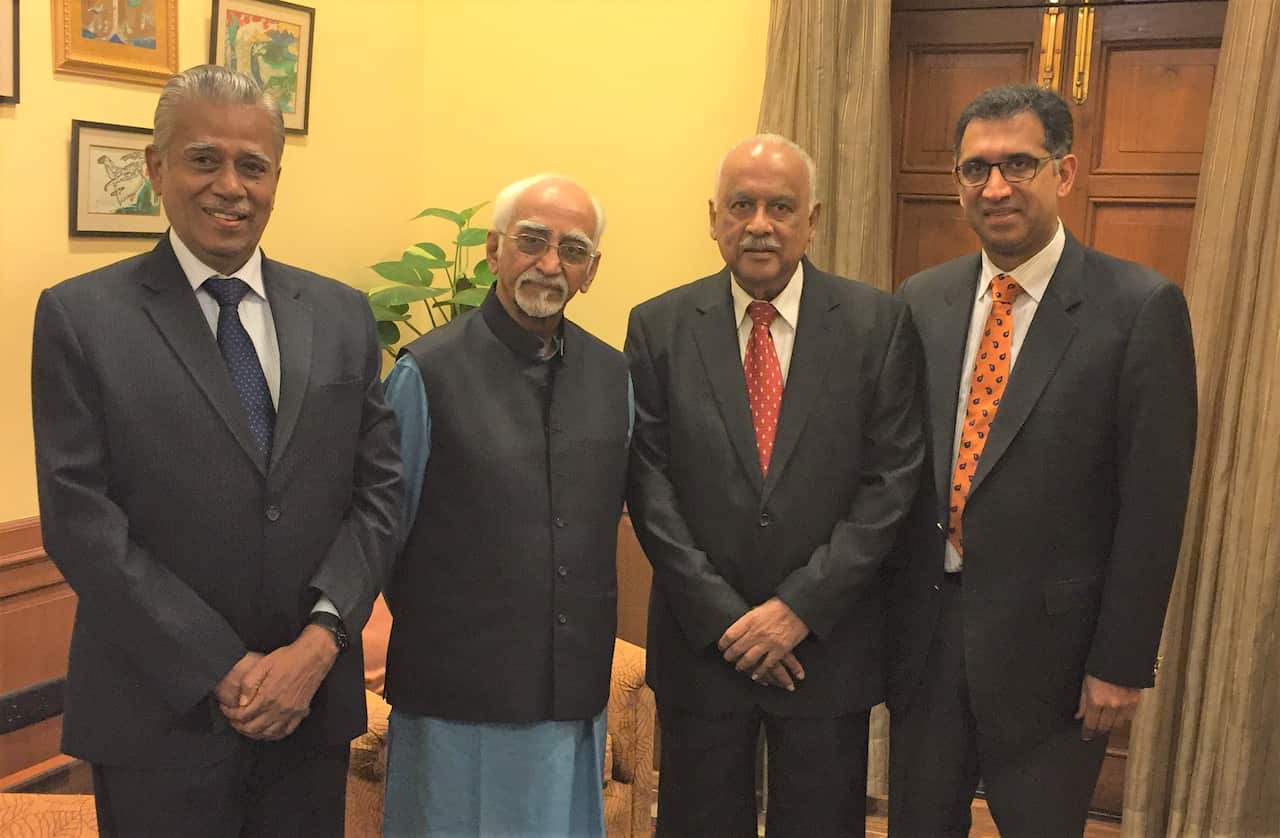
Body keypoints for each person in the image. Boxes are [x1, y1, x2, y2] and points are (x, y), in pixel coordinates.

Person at [30, 65, 402, 838]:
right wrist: (221, 670)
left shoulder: (339, 315)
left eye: (253, 165)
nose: (230, 186)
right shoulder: (81, 318)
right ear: (156, 168)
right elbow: (81, 522)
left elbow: (378, 495)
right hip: (158, 716)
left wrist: (317, 644)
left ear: (275, 178)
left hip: (311, 706)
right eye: (205, 159)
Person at [887, 84, 1198, 837]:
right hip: (926, 644)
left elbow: (1152, 504)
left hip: (1057, 662)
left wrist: (1122, 661)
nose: (994, 187)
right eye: (975, 169)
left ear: (1064, 172)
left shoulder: (1140, 308)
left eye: (1018, 164)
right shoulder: (919, 302)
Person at [626, 134, 924, 838]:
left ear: (812, 221)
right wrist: (727, 619)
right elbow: (648, 483)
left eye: (781, 207)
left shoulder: (876, 324)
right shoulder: (659, 326)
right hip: (705, 647)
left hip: (825, 646)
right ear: (712, 217)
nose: (759, 223)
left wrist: (797, 608)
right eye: (741, 205)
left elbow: (891, 483)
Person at [380, 175, 630, 837]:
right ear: (493, 251)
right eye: (532, 242)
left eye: (572, 250)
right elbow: (379, 535)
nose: (551, 264)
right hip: (456, 704)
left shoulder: (614, 378)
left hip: (568, 699)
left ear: (591, 272)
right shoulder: (425, 374)